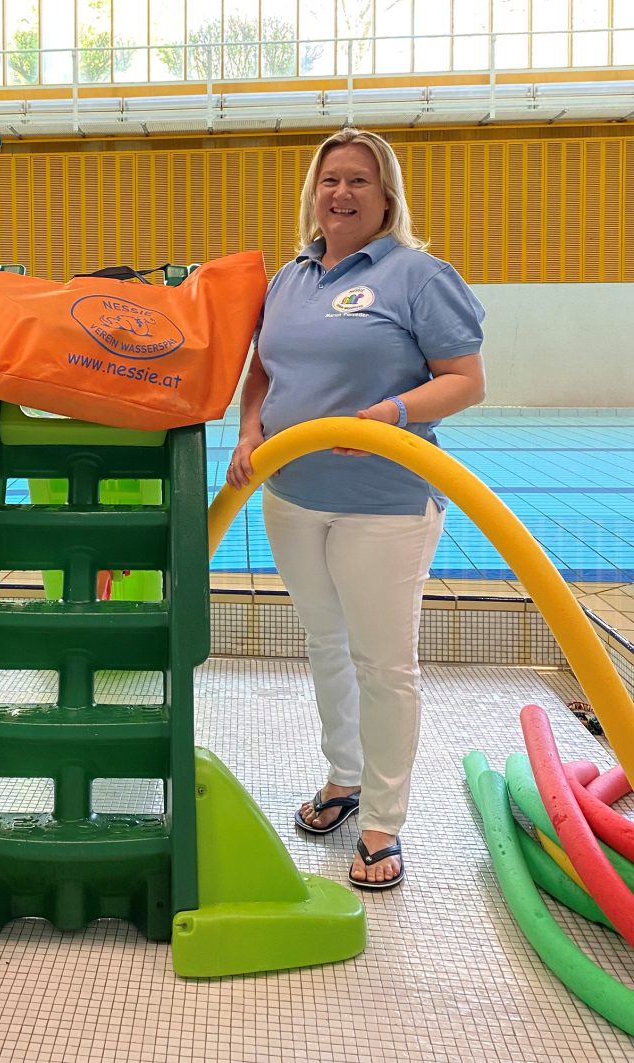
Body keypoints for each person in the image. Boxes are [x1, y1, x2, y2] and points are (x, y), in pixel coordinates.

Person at [226, 128, 485, 890]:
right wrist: (248, 431)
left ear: (386, 196)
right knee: (325, 645)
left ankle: (383, 821)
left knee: (383, 662)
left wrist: (389, 414)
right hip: (292, 496)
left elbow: (465, 380)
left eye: (358, 182)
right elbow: (262, 370)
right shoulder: (290, 276)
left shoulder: (418, 274)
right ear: (313, 190)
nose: (341, 193)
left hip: (385, 505)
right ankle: (343, 778)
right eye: (330, 179)